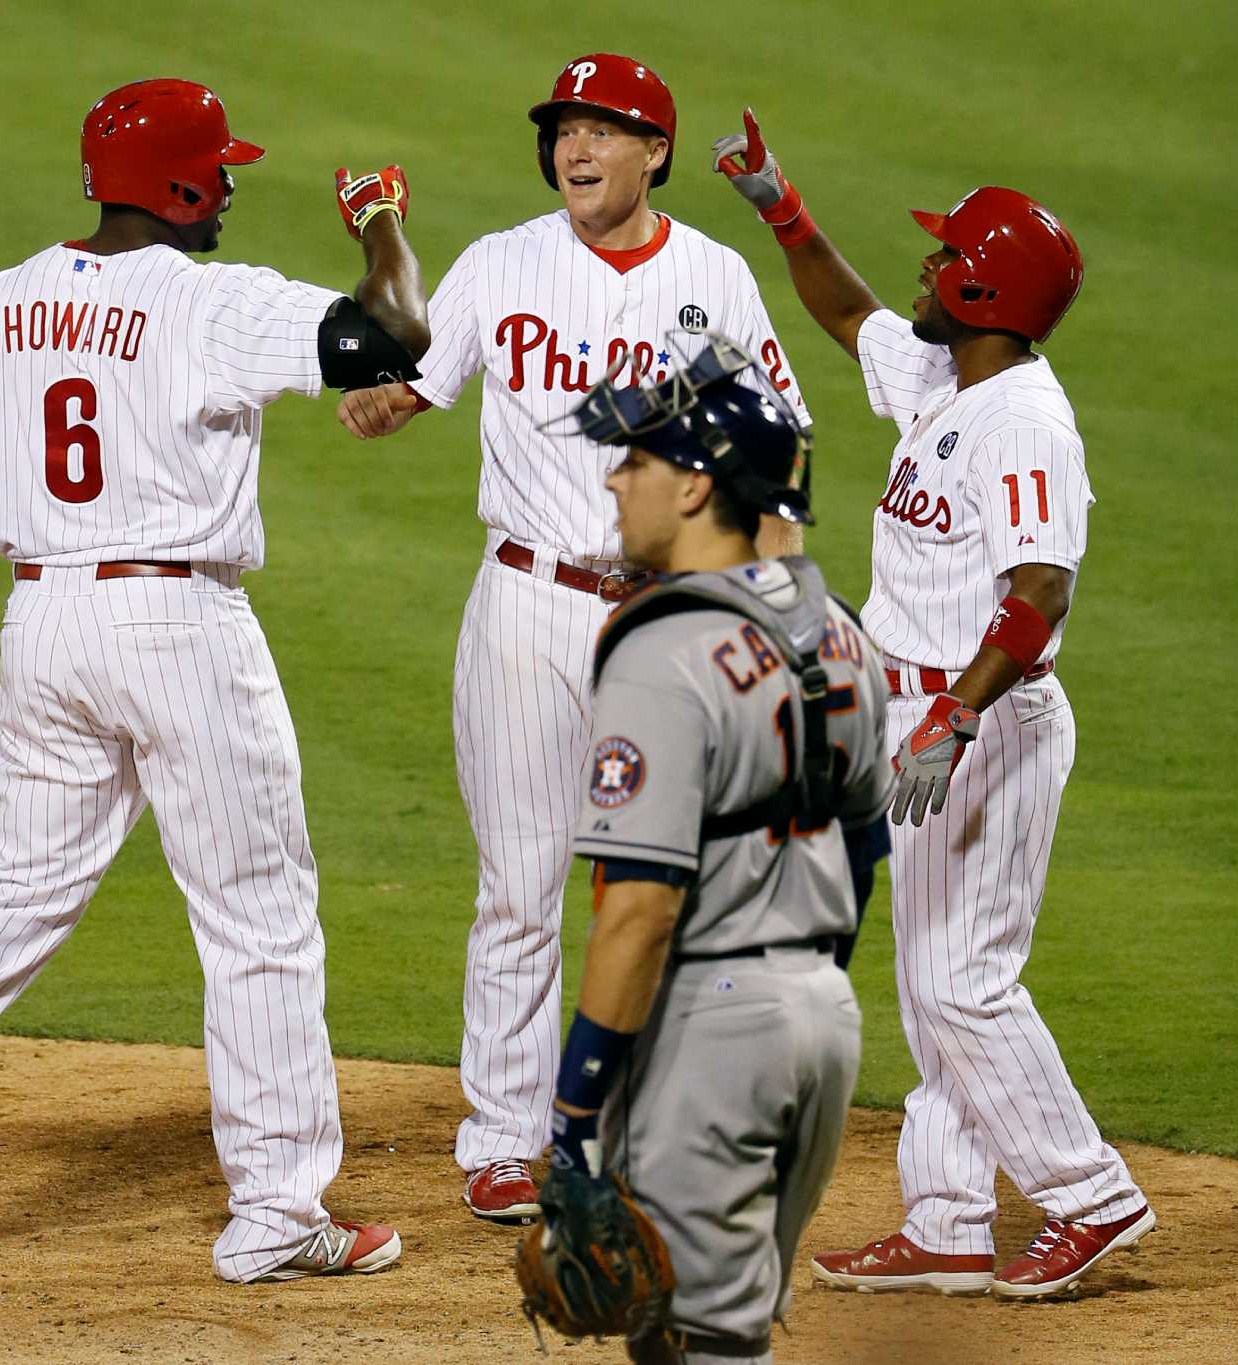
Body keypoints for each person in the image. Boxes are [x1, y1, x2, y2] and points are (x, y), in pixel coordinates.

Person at [0, 79, 429, 1283]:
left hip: (44, 628)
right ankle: (276, 1206)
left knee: (10, 901)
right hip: (177, 625)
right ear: (177, 183)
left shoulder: (5, 299)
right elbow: (393, 335)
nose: (228, 187)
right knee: (258, 916)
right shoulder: (216, 301)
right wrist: (376, 220)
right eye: (217, 170)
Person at [337, 52, 811, 1225]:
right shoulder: (501, 262)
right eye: (564, 130)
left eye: (604, 130)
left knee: (664, 887)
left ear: (654, 150)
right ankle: (501, 1136)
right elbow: (414, 383)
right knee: (519, 882)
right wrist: (376, 395)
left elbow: (778, 443)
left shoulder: (713, 276)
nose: (576, 149)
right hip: (528, 606)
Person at [710, 111, 1154, 1298]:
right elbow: (849, 315)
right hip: (922, 720)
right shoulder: (955, 375)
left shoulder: (1020, 423)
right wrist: (779, 207)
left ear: (979, 285)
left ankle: (1087, 1195)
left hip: (979, 729)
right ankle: (949, 1219)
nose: (921, 268)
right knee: (932, 984)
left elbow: (1037, 590)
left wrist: (950, 717)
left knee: (965, 983)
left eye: (939, 255)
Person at [544, 333, 889, 1364]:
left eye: (636, 459)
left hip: (711, 1034)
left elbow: (639, 909)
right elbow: (863, 842)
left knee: (700, 1341)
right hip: (822, 1023)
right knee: (692, 1322)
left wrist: (572, 1112)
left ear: (696, 487)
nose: (615, 478)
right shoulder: (840, 632)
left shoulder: (662, 651)